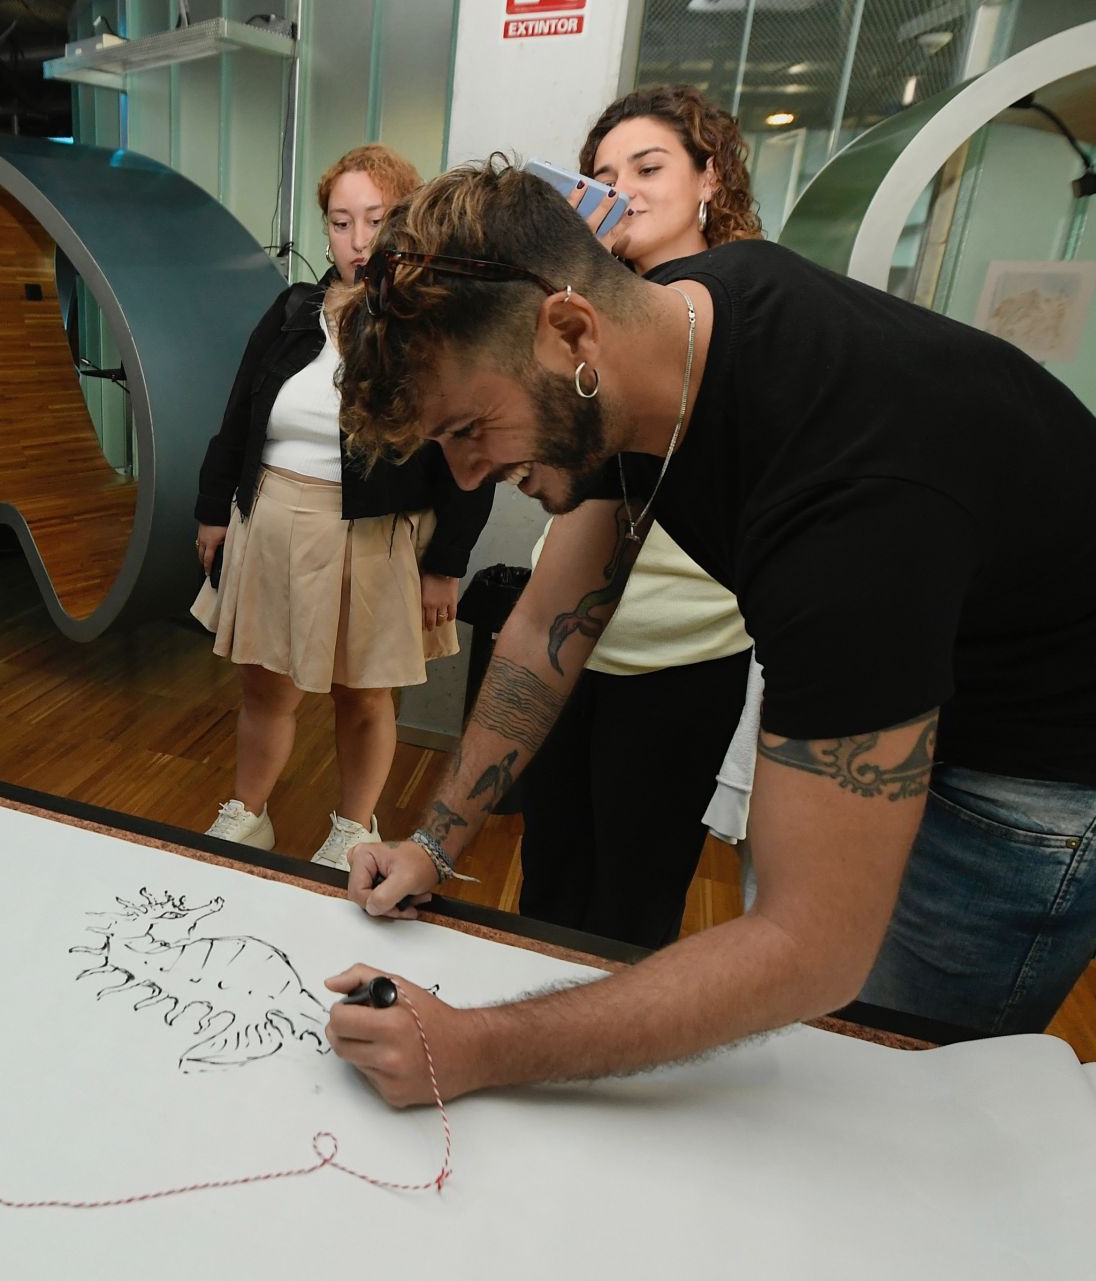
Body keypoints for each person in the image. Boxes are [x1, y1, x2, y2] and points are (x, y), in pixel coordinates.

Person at [321, 154, 1096, 1107]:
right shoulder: (654, 342)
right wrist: (435, 845)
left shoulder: (850, 515)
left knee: (884, 1097)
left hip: (1035, 775)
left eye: (470, 426)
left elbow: (810, 947)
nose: (470, 475)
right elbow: (549, 625)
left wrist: (474, 1048)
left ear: (570, 330)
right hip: (928, 665)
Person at [191, 144, 494, 868]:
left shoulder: (433, 323)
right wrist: (212, 508)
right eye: (339, 222)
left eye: (376, 220)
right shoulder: (293, 308)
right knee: (264, 685)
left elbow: (469, 458)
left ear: (407, 222)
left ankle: (353, 825)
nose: (359, 242)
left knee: (364, 695)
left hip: (376, 535)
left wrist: (445, 564)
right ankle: (249, 813)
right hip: (269, 518)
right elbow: (239, 416)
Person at [511, 86, 759, 949]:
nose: (624, 190)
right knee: (548, 868)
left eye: (649, 167)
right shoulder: (581, 311)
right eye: (602, 175)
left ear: (709, 178)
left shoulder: (744, 315)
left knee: (636, 894)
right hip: (571, 640)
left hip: (685, 654)